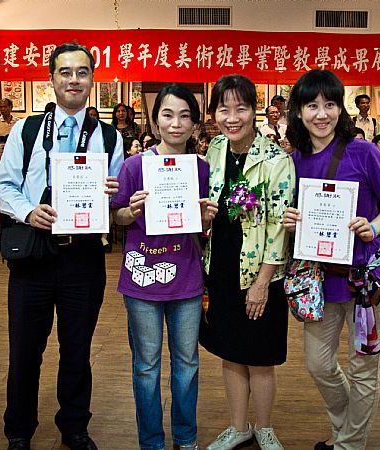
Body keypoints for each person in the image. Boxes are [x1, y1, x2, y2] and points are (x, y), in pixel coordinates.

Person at [0, 42, 123, 450]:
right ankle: (18, 431)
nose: (74, 80)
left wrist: (112, 195)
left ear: (92, 80)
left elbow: (116, 200)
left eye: (82, 72)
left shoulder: (109, 136)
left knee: (77, 348)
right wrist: (28, 211)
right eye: (65, 72)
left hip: (83, 257)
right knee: (24, 350)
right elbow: (3, 186)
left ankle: (74, 427)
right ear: (51, 79)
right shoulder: (27, 130)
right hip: (33, 255)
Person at [282, 69, 380, 450]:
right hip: (321, 280)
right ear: (299, 111)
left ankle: (349, 444)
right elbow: (293, 217)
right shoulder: (294, 161)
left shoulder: (363, 152)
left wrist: (374, 226)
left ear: (340, 109)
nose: (322, 114)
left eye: (330, 104)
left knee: (363, 367)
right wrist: (291, 221)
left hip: (367, 280)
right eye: (312, 105)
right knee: (318, 363)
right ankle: (347, 426)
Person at [112, 83, 215, 450]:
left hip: (186, 279)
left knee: (187, 363)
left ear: (195, 124)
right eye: (168, 115)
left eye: (185, 116)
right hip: (142, 281)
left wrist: (207, 218)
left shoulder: (201, 168)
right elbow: (117, 216)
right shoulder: (134, 166)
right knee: (146, 366)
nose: (176, 124)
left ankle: (186, 438)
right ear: (155, 122)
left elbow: (204, 227)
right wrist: (130, 211)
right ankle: (151, 442)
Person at [200, 74, 295, 450]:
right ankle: (238, 427)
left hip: (259, 273)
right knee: (231, 352)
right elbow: (214, 205)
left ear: (255, 111)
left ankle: (264, 427)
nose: (232, 117)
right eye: (223, 109)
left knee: (260, 356)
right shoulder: (216, 149)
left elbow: (279, 226)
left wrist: (262, 283)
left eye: (241, 108)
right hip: (222, 267)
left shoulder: (276, 160)